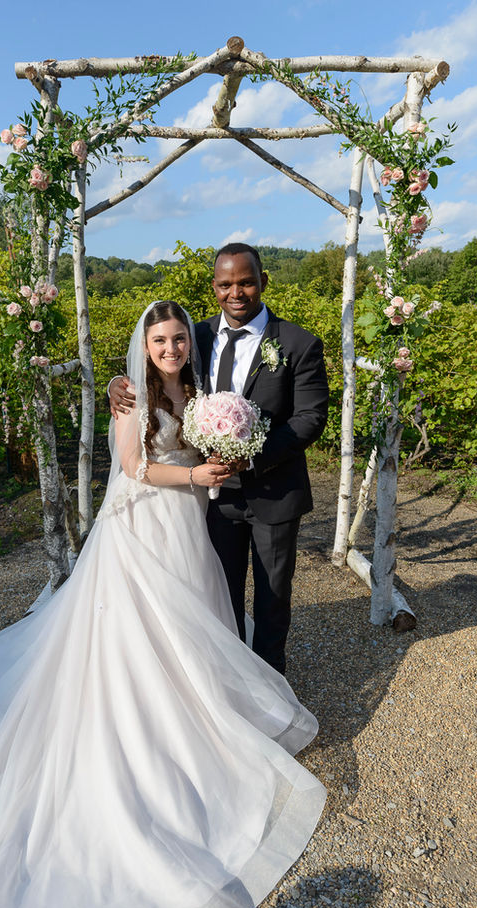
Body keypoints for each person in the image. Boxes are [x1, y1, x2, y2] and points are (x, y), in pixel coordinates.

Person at [0, 300, 326, 908]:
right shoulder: (129, 396)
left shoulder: (198, 389)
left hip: (188, 531)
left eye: (176, 338)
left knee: (193, 623)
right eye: (159, 339)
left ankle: (200, 708)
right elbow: (136, 467)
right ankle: (152, 722)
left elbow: (215, 434)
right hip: (143, 528)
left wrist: (225, 450)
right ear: (142, 345)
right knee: (142, 634)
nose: (169, 347)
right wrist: (196, 472)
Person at [111, 245, 329, 674]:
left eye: (245, 282)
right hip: (211, 499)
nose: (236, 292)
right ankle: (229, 684)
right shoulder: (199, 336)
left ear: (263, 282)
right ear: (214, 288)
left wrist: (250, 460)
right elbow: (156, 370)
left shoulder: (299, 343)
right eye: (226, 284)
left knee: (272, 601)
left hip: (274, 490)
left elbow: (310, 418)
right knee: (216, 598)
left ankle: (272, 690)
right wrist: (117, 384)